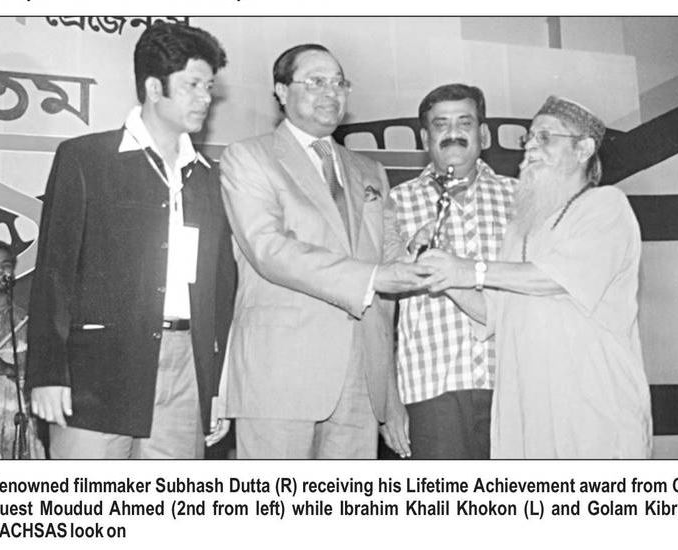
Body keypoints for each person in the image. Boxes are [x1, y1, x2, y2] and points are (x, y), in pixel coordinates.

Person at [26, 22, 236, 459]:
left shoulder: (209, 178)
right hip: (96, 372)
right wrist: (47, 373)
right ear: (155, 87)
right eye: (193, 85)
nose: (205, 98)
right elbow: (54, 274)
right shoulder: (86, 159)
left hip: (185, 370)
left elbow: (220, 290)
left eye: (209, 87)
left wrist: (216, 385)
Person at [217, 43, 433, 459]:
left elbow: (387, 260)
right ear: (282, 91)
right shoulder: (248, 157)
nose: (331, 92)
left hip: (361, 379)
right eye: (316, 81)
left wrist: (415, 255)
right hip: (279, 373)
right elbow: (269, 250)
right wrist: (374, 277)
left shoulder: (369, 171)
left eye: (338, 83)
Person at [419, 96, 652, 458]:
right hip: (528, 412)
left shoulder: (607, 205)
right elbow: (493, 312)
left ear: (583, 149)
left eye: (545, 137)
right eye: (528, 138)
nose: (530, 147)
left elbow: (553, 278)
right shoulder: (520, 227)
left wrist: (467, 269)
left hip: (594, 407)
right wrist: (442, 272)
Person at [383, 84, 514, 459]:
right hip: (430, 390)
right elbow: (379, 311)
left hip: (516, 385)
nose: (453, 133)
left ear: (483, 134)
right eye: (441, 125)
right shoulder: (394, 202)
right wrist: (389, 401)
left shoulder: (521, 198)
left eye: (465, 123)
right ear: (425, 138)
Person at [0, 241, 45, 459]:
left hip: (13, 426)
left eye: (6, 265)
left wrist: (7, 368)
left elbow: (41, 374)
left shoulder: (26, 321)